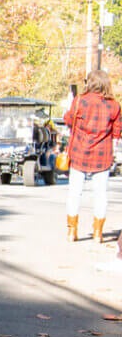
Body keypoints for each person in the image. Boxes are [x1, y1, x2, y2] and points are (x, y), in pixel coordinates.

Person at [64, 69, 121, 244]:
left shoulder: (80, 101)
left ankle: (72, 231)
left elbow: (68, 120)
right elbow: (117, 132)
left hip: (79, 152)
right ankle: (98, 233)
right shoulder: (114, 105)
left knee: (75, 192)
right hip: (102, 155)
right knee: (100, 194)